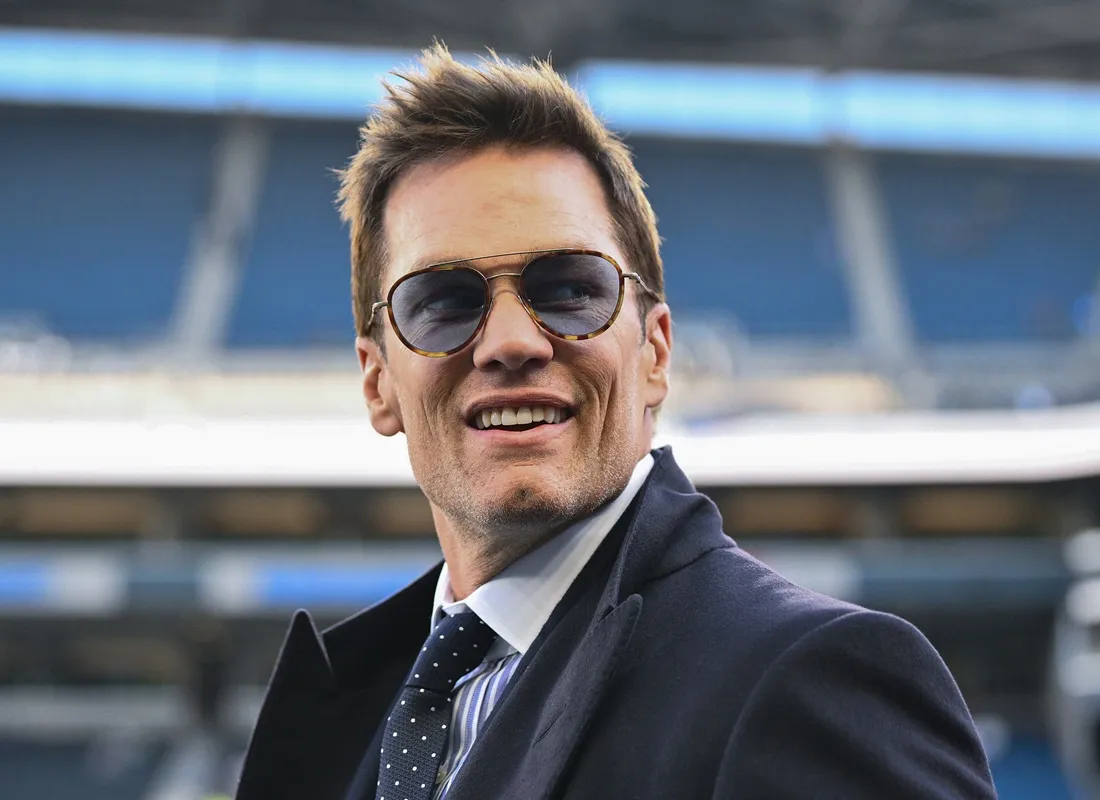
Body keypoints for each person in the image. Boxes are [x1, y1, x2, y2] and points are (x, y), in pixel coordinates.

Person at [236, 44, 998, 800]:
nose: (510, 342)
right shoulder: (361, 710)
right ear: (378, 384)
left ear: (656, 352)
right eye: (442, 302)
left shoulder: (814, 680)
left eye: (569, 289)